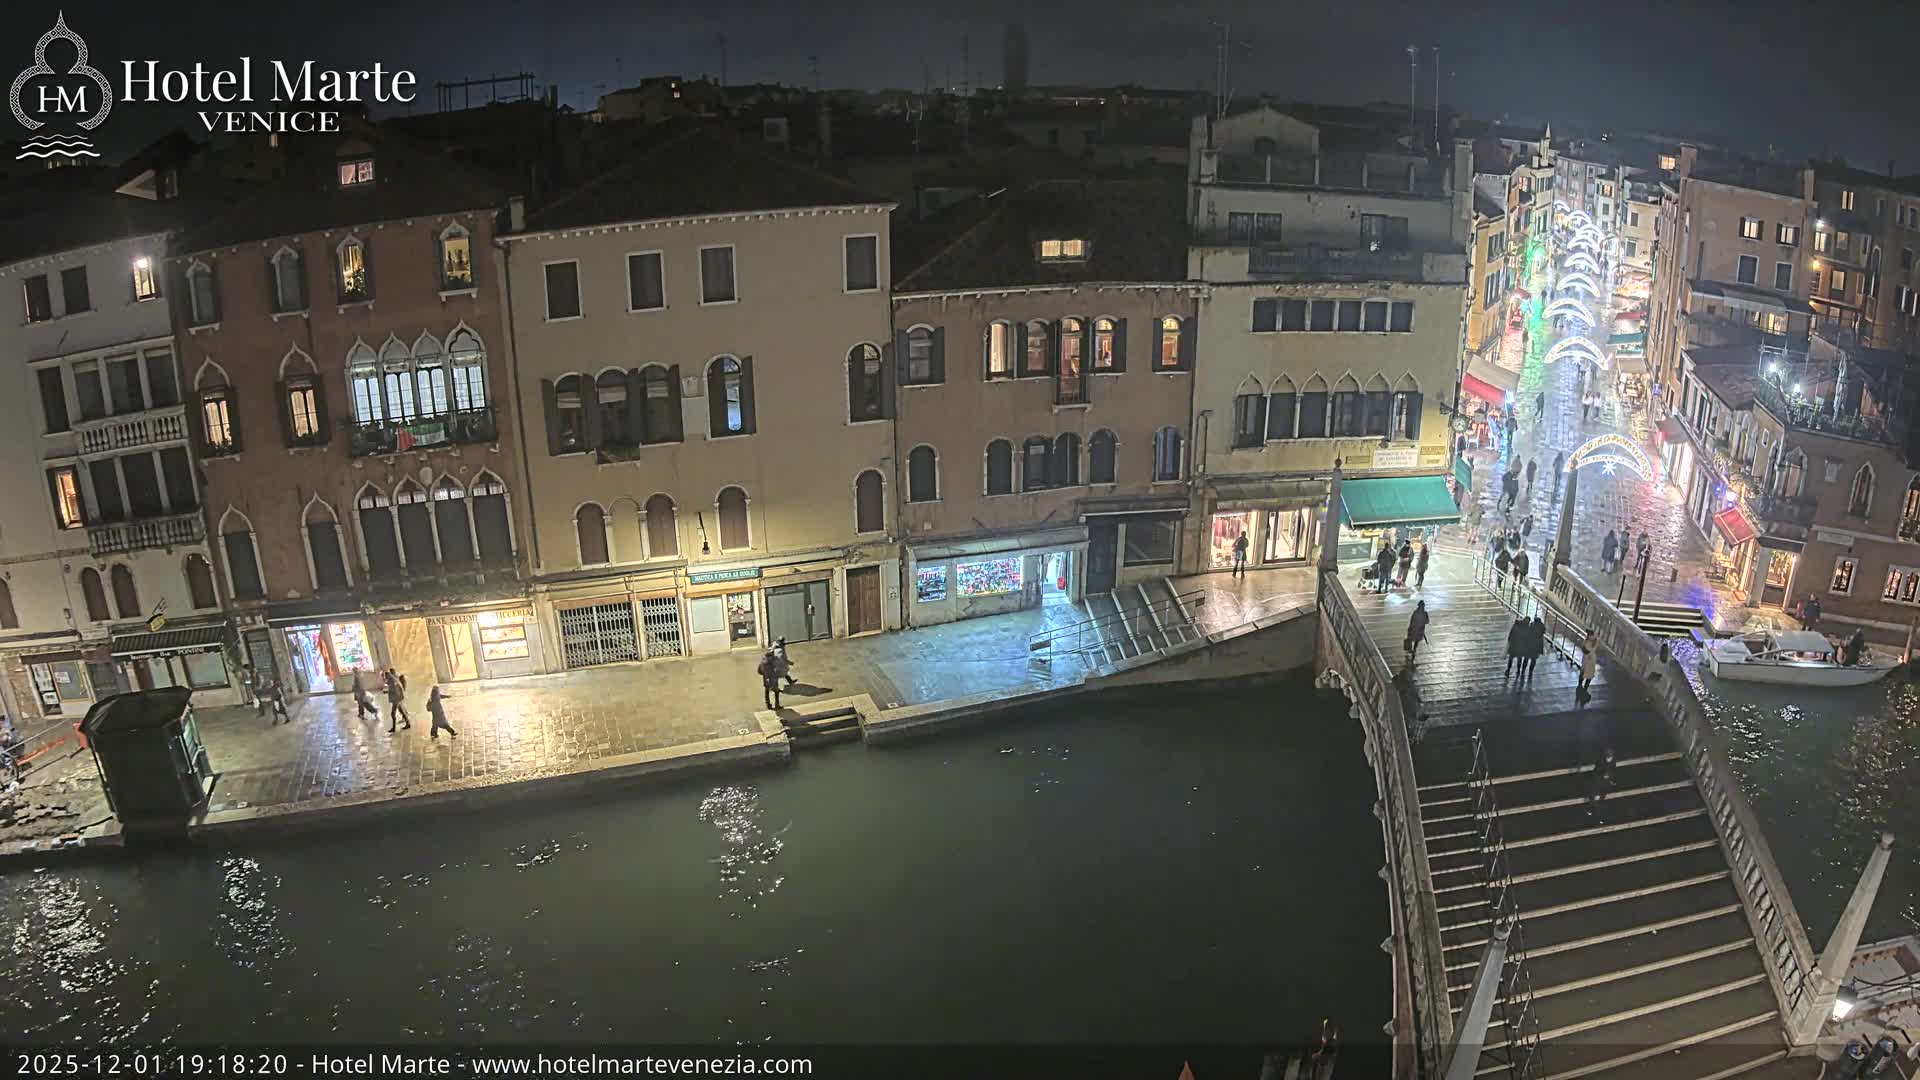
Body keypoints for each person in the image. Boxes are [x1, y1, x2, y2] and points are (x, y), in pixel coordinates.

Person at [1585, 748, 1617, 813]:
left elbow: (1613, 771)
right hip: (1597, 782)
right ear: (1605, 756)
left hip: (1605, 783)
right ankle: (1591, 808)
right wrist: (1603, 775)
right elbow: (1596, 775)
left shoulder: (1613, 762)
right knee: (1595, 796)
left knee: (1601, 796)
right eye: (1608, 757)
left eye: (1611, 757)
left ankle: (1594, 807)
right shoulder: (1600, 762)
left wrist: (1612, 780)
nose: (1609, 759)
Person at [384, 668, 412, 732]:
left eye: (385, 676)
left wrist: (399, 698)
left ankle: (393, 728)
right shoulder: (392, 680)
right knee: (402, 711)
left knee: (392, 713)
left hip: (396, 699)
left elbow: (397, 689)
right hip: (397, 698)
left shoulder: (392, 681)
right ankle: (408, 723)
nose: (385, 677)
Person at [1577, 631, 1600, 696]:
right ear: (1590, 636)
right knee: (1586, 673)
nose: (1595, 637)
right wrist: (1596, 644)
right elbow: (1590, 651)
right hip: (1588, 661)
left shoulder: (1589, 642)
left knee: (1587, 673)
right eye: (1593, 635)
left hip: (1590, 661)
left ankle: (1582, 687)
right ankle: (1582, 688)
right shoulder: (1586, 643)